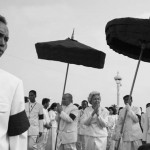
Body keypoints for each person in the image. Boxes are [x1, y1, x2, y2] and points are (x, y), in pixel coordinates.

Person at [0, 14, 30, 150]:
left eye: (6, 39)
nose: (2, 43)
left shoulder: (13, 84)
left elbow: (18, 136)